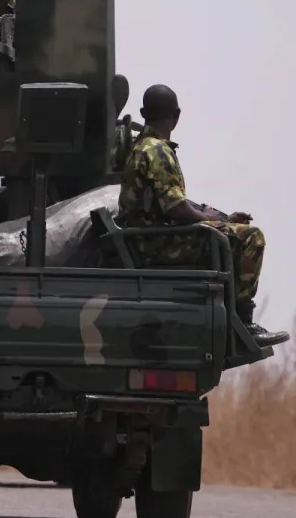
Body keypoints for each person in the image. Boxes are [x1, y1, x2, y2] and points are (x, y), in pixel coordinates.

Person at [115, 84, 281, 342]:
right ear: (177, 115)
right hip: (156, 244)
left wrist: (221, 217)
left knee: (231, 232)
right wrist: (210, 220)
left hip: (147, 240)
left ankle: (231, 318)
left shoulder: (141, 147)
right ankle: (242, 324)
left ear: (143, 112)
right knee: (251, 238)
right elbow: (177, 208)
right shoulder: (157, 151)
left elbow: (168, 201)